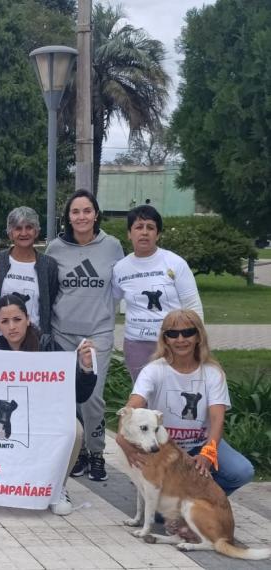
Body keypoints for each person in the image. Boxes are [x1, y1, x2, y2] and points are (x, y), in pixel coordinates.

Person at [117, 309, 253, 497]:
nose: (180, 339)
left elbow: (217, 420)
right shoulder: (153, 370)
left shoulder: (213, 373)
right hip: (163, 445)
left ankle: (199, 497)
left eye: (188, 332)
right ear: (165, 339)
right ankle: (176, 497)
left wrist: (208, 453)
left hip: (200, 442)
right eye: (172, 334)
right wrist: (121, 437)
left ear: (199, 336)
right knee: (161, 511)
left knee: (242, 471)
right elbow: (133, 405)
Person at [0, 294, 97, 515]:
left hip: (48, 415)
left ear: (28, 319)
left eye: (17, 319)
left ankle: (58, 487)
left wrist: (85, 368)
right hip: (16, 417)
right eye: (5, 321)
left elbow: (80, 395)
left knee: (75, 430)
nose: (12, 327)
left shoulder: (48, 346)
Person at [45, 189, 124, 482]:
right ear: (68, 216)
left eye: (87, 211)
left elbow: (122, 285)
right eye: (75, 211)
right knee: (68, 398)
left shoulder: (112, 246)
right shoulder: (55, 248)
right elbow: (49, 288)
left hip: (97, 333)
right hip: (63, 333)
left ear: (96, 214)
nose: (81, 217)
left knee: (92, 398)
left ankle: (96, 452)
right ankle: (76, 452)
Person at [112, 205, 203, 381]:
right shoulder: (120, 268)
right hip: (136, 345)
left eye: (150, 227)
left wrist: (197, 341)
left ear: (158, 234)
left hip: (174, 342)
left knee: (174, 392)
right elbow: (110, 305)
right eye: (139, 227)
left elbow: (193, 306)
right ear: (129, 234)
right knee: (143, 394)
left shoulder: (175, 263)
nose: (144, 232)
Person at [0, 206, 59, 345]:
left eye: (29, 227)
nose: (24, 233)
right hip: (1, 340)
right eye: (18, 228)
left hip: (36, 341)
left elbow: (51, 302)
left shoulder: (48, 265)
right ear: (10, 233)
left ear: (36, 231)